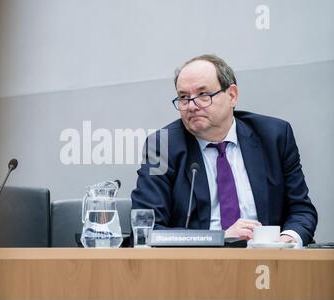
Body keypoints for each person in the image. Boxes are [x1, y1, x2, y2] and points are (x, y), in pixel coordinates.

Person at [131, 54, 317, 246]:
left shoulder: (274, 136)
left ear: (232, 95)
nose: (192, 106)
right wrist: (219, 237)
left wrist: (287, 240)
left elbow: (301, 211)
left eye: (203, 95)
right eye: (184, 97)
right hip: (195, 267)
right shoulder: (162, 146)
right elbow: (149, 231)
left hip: (267, 260)